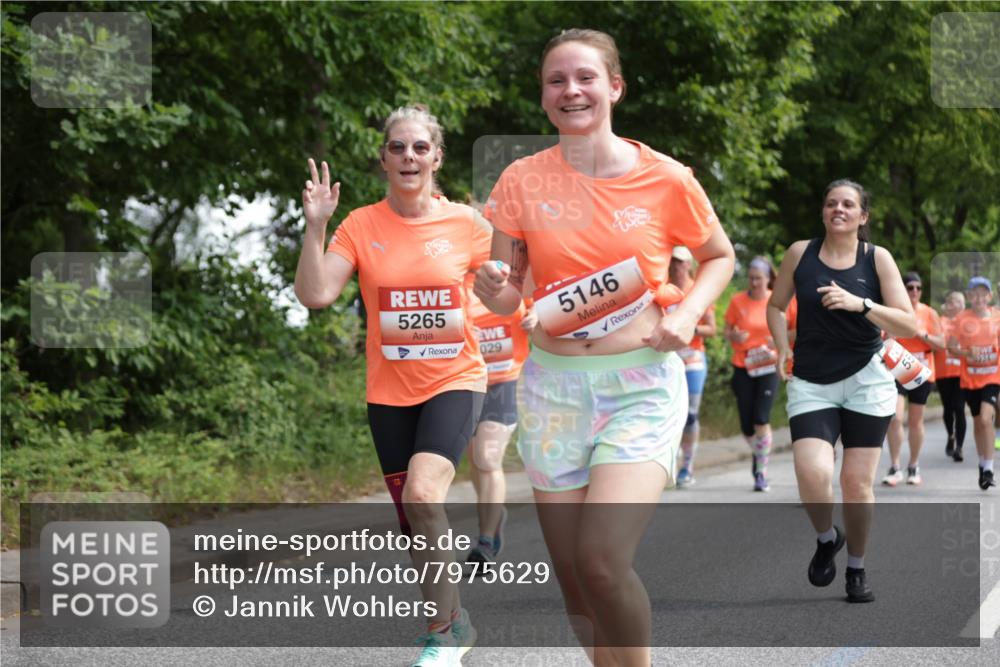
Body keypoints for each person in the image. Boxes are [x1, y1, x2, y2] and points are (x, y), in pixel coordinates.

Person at [475, 28, 734, 666]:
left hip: (638, 388)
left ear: (614, 86)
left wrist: (690, 314)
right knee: (576, 587)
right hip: (553, 390)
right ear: (543, 97)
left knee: (602, 562)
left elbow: (718, 257)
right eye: (556, 81)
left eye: (585, 77)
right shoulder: (520, 181)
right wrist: (494, 289)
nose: (571, 90)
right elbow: (508, 299)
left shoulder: (667, 178)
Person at [294, 105, 489, 666]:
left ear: (437, 157)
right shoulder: (360, 224)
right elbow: (315, 294)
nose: (409, 156)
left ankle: (443, 634)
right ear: (384, 158)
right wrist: (315, 227)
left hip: (455, 378)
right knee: (413, 519)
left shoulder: (468, 225)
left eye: (420, 147)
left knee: (424, 494)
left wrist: (506, 288)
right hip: (388, 392)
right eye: (398, 147)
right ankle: (455, 621)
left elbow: (508, 290)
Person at [767, 179, 917, 604]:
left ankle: (856, 568)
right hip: (812, 380)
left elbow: (909, 324)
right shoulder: (800, 253)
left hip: (867, 380)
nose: (839, 209)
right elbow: (776, 306)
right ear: (823, 212)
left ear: (862, 216)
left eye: (848, 204)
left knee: (856, 483)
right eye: (831, 202)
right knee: (812, 473)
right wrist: (781, 346)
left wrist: (861, 305)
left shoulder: (877, 259)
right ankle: (826, 536)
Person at [464, 285, 536, 565]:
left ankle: (485, 539)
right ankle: (493, 517)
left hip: (507, 381)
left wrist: (536, 317)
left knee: (487, 457)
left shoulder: (515, 283)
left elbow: (541, 305)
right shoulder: (458, 277)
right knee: (475, 461)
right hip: (467, 383)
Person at [881, 272, 945, 486]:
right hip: (897, 369)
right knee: (896, 418)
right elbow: (883, 339)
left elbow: (941, 344)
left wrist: (920, 334)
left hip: (921, 371)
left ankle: (914, 465)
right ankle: (895, 465)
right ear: (903, 289)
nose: (914, 292)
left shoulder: (929, 313)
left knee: (916, 422)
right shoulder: (894, 311)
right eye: (910, 288)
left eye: (918, 288)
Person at [724, 256, 780, 491]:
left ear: (768, 280)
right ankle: (760, 452)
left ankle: (761, 471)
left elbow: (793, 330)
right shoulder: (738, 301)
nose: (754, 283)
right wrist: (733, 336)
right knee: (747, 425)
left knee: (761, 418)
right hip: (743, 365)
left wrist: (777, 339)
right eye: (751, 278)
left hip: (768, 366)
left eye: (759, 278)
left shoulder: (776, 302)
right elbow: (726, 329)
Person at [669, 245, 717, 487]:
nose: (675, 265)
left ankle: (687, 467)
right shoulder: (662, 289)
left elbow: (712, 328)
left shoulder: (697, 290)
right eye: (672, 261)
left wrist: (689, 327)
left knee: (690, 414)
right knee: (669, 414)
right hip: (668, 360)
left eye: (680, 262)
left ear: (689, 264)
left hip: (693, 359)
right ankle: (670, 462)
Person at [947, 276, 999, 490]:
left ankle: (989, 468)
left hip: (993, 377)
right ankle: (982, 464)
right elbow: (951, 347)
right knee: (978, 423)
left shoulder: (997, 318)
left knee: (987, 419)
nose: (979, 298)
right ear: (969, 297)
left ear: (990, 295)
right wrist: (967, 353)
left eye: (983, 293)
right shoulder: (961, 319)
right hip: (970, 379)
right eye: (974, 294)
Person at [935, 290, 967, 461]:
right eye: (953, 301)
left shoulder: (968, 323)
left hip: (962, 373)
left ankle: (959, 448)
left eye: (959, 302)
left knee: (960, 408)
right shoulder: (940, 322)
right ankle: (951, 435)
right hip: (943, 371)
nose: (957, 304)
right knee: (948, 408)